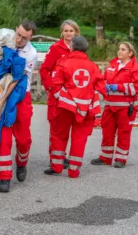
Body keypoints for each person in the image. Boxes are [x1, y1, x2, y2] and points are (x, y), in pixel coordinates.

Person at [44, 36, 107, 178]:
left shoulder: (64, 63)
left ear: (71, 47)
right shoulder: (93, 67)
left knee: (59, 135)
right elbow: (101, 88)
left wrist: (62, 99)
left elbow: (55, 85)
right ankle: (74, 170)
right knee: (80, 138)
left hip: (66, 107)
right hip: (85, 109)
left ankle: (57, 167)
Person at [0, 20, 38, 193]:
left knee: (23, 138)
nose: (19, 40)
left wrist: (2, 100)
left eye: (24, 38)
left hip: (20, 96)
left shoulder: (30, 53)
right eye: (18, 34)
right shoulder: (6, 39)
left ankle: (22, 162)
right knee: (4, 136)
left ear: (30, 37)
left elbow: (16, 79)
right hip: (1, 94)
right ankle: (4, 177)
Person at [90, 42, 138, 168]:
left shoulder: (136, 69)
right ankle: (105, 158)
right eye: (119, 49)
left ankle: (121, 159)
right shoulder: (112, 66)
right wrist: (103, 87)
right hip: (110, 106)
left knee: (123, 133)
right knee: (107, 131)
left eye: (123, 49)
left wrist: (118, 87)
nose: (119, 51)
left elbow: (137, 88)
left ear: (130, 53)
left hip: (126, 107)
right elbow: (103, 80)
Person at [39, 20, 80, 167]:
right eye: (66, 31)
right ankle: (55, 158)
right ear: (62, 32)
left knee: (68, 127)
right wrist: (50, 88)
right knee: (56, 128)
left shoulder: (79, 49)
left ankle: (62, 155)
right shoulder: (56, 49)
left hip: (73, 96)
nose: (69, 33)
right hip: (57, 96)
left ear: (76, 32)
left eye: (71, 31)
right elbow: (44, 70)